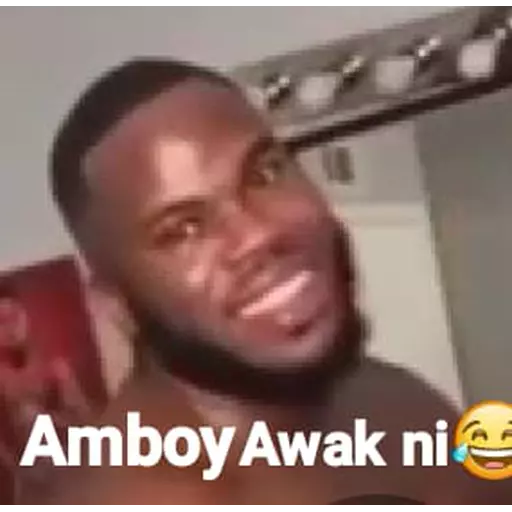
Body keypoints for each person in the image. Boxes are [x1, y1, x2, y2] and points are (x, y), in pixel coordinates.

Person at [34, 58, 510, 506]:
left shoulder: (390, 402)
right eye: (183, 229)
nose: (259, 234)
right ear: (117, 303)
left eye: (264, 173)